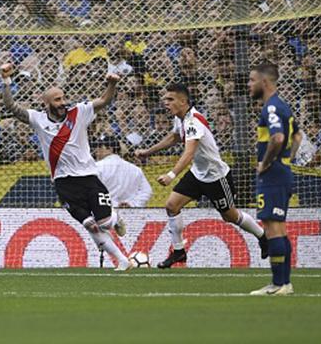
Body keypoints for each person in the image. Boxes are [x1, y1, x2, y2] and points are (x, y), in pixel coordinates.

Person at [0, 62, 132, 271]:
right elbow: (11, 107)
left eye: (63, 98)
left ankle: (115, 218)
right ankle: (122, 260)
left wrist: (111, 84)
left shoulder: (78, 112)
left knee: (105, 223)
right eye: (57, 100)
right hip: (63, 183)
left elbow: (105, 100)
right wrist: (6, 79)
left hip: (88, 178)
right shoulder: (38, 119)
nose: (62, 102)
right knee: (90, 225)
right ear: (47, 103)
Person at [135, 83, 268, 269]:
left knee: (230, 216)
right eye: (165, 99)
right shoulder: (180, 118)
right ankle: (179, 252)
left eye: (170, 99)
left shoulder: (193, 121)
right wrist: (148, 152)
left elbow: (189, 153)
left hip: (216, 176)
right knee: (172, 206)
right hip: (198, 174)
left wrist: (171, 175)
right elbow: (174, 137)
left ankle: (263, 236)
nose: (166, 103)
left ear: (183, 101)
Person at [248, 63, 302, 296]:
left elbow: (278, 137)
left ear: (265, 82)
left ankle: (280, 283)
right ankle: (282, 283)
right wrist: (286, 160)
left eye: (251, 80)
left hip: (273, 175)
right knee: (276, 226)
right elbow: (297, 135)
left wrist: (268, 163)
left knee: (273, 227)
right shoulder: (282, 105)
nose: (249, 85)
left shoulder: (271, 107)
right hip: (282, 172)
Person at [93, 135, 152, 208]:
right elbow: (146, 191)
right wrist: (133, 204)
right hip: (131, 212)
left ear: (110, 149)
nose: (96, 151)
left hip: (105, 210)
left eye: (100, 147)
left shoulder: (96, 167)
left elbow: (92, 191)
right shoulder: (135, 169)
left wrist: (114, 204)